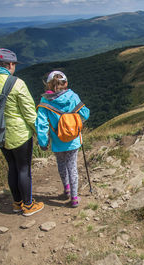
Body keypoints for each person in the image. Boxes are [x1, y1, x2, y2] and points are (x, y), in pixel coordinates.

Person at [0, 48, 44, 216]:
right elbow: (30, 114)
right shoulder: (16, 83)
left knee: (12, 166)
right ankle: (28, 206)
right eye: (14, 64)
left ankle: (17, 203)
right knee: (23, 169)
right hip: (19, 134)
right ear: (10, 64)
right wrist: (42, 136)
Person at [35, 71, 90, 208]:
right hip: (74, 139)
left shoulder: (45, 101)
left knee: (61, 165)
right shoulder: (73, 96)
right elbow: (86, 114)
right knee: (72, 167)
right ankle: (74, 197)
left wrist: (43, 142)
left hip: (57, 141)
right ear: (66, 83)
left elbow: (41, 124)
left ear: (48, 84)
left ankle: (66, 189)